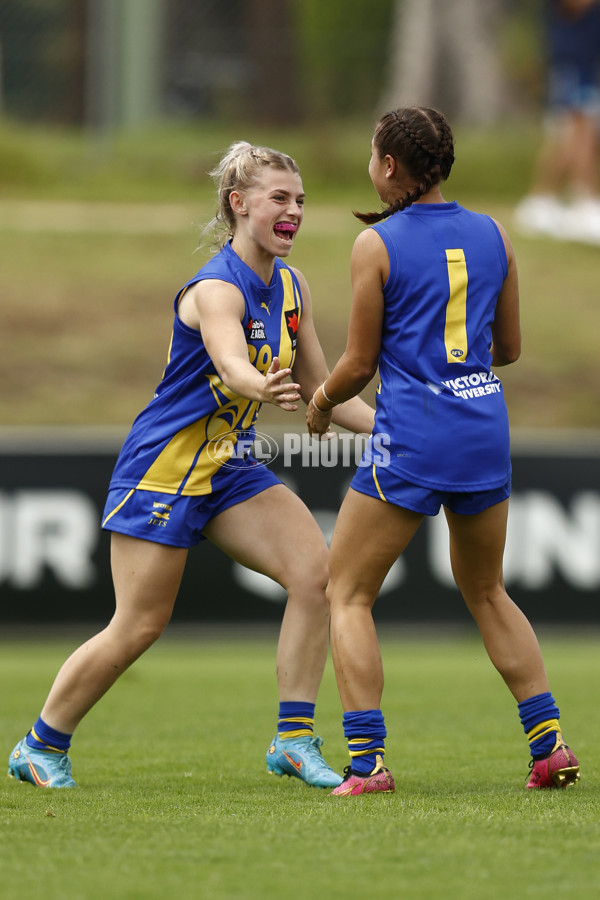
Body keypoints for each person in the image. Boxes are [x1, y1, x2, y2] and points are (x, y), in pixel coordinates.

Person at [8, 141, 374, 790]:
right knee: (139, 625)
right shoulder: (214, 288)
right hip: (163, 470)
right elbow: (233, 363)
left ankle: (293, 737)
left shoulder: (292, 288)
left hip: (229, 467)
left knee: (315, 577)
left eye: (300, 202)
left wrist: (402, 432)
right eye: (279, 199)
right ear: (239, 204)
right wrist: (259, 387)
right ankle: (40, 744)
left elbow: (326, 393)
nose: (293, 212)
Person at [306, 106, 581, 796]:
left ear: (390, 166)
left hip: (415, 437)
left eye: (374, 157)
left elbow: (358, 363)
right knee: (488, 590)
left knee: (348, 593)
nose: (371, 169)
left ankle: (367, 763)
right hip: (484, 428)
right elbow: (510, 349)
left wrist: (320, 402)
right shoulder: (494, 233)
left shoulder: (378, 245)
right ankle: (548, 746)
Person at [514, 0, 600, 243]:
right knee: (577, 133)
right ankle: (579, 202)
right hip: (570, 64)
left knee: (578, 137)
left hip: (585, 65)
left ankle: (556, 201)